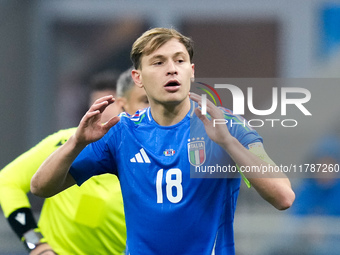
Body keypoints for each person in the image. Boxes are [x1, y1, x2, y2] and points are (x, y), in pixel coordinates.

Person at [31, 27, 295, 255]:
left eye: (179, 61)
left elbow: (283, 197)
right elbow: (40, 187)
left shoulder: (227, 126)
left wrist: (228, 144)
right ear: (138, 78)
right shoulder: (122, 133)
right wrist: (76, 142)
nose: (171, 69)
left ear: (191, 71)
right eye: (158, 62)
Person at [0, 69, 148, 255]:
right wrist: (36, 244)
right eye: (96, 105)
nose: (102, 113)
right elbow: (7, 181)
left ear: (126, 105)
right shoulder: (65, 143)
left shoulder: (151, 157)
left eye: (111, 104)